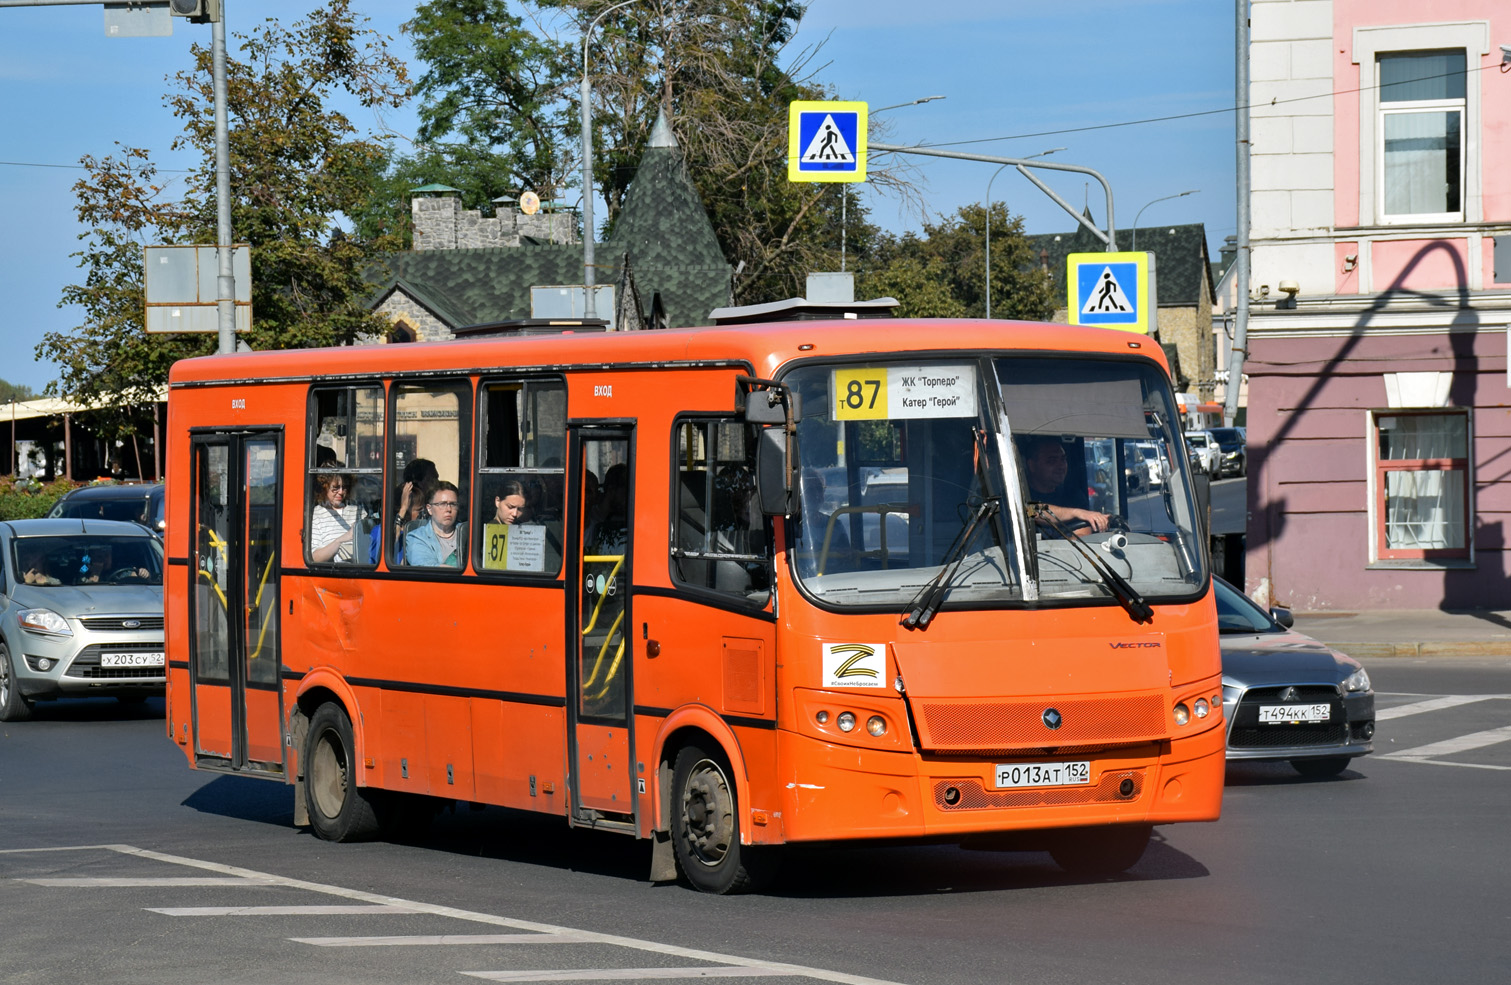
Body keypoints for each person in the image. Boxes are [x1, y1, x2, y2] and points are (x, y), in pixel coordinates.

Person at [1021, 436, 1110, 532]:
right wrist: (1075, 513)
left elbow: (1083, 535)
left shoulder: (1073, 496)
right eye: (1052, 461)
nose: (1061, 466)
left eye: (1063, 459)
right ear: (1032, 465)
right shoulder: (1019, 495)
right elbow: (1030, 510)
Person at [405, 481, 466, 568]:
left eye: (453, 504)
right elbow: (427, 567)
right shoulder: (417, 537)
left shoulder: (467, 532)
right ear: (429, 509)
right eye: (442, 504)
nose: (448, 509)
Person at [310, 473, 362, 562]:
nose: (341, 492)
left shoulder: (358, 511)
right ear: (324, 487)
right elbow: (315, 557)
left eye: (344, 487)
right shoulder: (317, 514)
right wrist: (340, 540)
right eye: (335, 488)